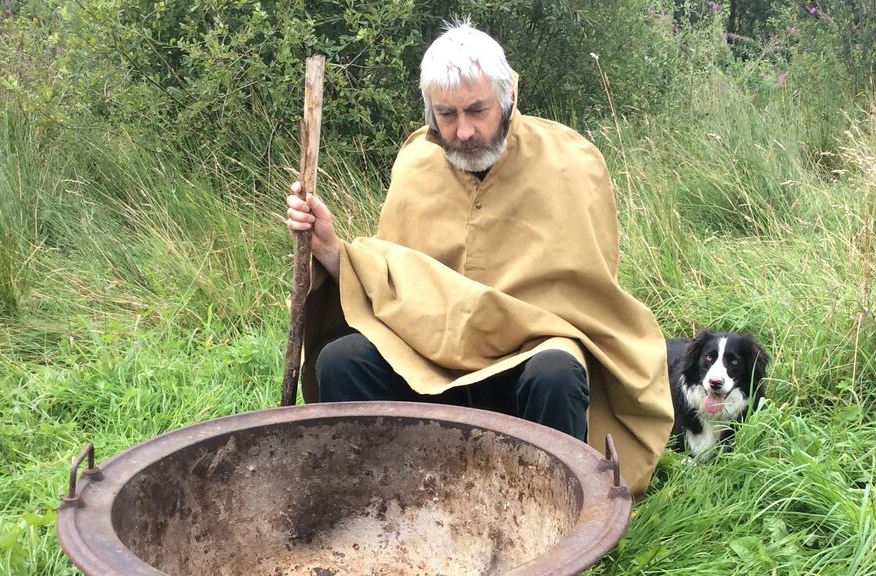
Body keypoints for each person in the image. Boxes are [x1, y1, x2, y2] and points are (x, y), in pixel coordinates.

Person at [285, 20, 673, 495]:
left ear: (508, 97)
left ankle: (553, 513)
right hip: (429, 356)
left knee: (557, 371)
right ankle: (384, 504)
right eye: (446, 114)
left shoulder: (571, 161)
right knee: (343, 361)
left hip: (528, 352)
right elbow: (392, 284)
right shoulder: (415, 163)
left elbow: (588, 294)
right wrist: (329, 248)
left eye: (477, 110)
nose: (464, 131)